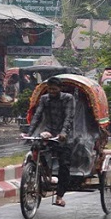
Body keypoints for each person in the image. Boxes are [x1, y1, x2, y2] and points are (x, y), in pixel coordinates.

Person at [26, 77, 75, 207]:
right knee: (36, 148)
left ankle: (59, 196)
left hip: (65, 135)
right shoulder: (44, 99)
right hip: (49, 131)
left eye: (54, 89)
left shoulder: (68, 98)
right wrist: (29, 133)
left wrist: (63, 133)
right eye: (50, 89)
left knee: (64, 165)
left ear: (60, 89)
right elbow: (37, 115)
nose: (52, 91)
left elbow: (68, 117)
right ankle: (43, 177)